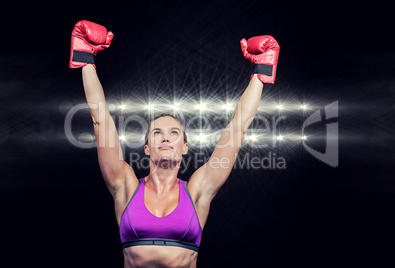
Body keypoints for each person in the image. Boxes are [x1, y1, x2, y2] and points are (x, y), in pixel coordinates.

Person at [69, 20, 279, 268]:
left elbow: (237, 128)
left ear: (185, 147)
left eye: (174, 133)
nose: (166, 137)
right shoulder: (124, 184)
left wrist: (260, 71)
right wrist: (86, 59)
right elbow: (100, 120)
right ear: (146, 148)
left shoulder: (198, 190)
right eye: (157, 133)